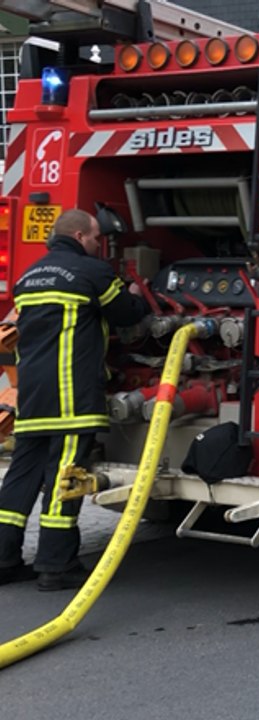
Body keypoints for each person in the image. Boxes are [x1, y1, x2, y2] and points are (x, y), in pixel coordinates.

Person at [0, 209, 148, 589]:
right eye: (97, 238)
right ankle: (55, 565)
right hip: (70, 399)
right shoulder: (92, 272)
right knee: (65, 479)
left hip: (31, 395)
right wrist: (137, 293)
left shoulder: (27, 277)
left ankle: (3, 561)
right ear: (81, 236)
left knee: (21, 477)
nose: (100, 244)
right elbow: (126, 314)